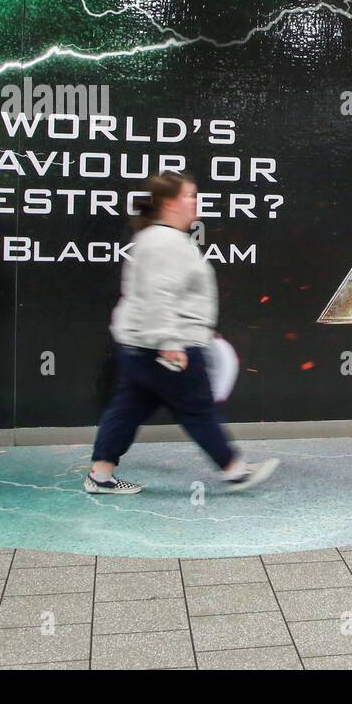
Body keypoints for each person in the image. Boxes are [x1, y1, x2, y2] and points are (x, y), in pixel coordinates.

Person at [86, 171, 278, 494]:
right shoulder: (165, 242)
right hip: (166, 344)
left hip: (141, 344)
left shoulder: (158, 239)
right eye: (189, 194)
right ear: (169, 203)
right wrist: (169, 343)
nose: (195, 200)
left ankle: (101, 474)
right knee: (197, 408)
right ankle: (235, 469)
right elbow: (159, 294)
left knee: (129, 408)